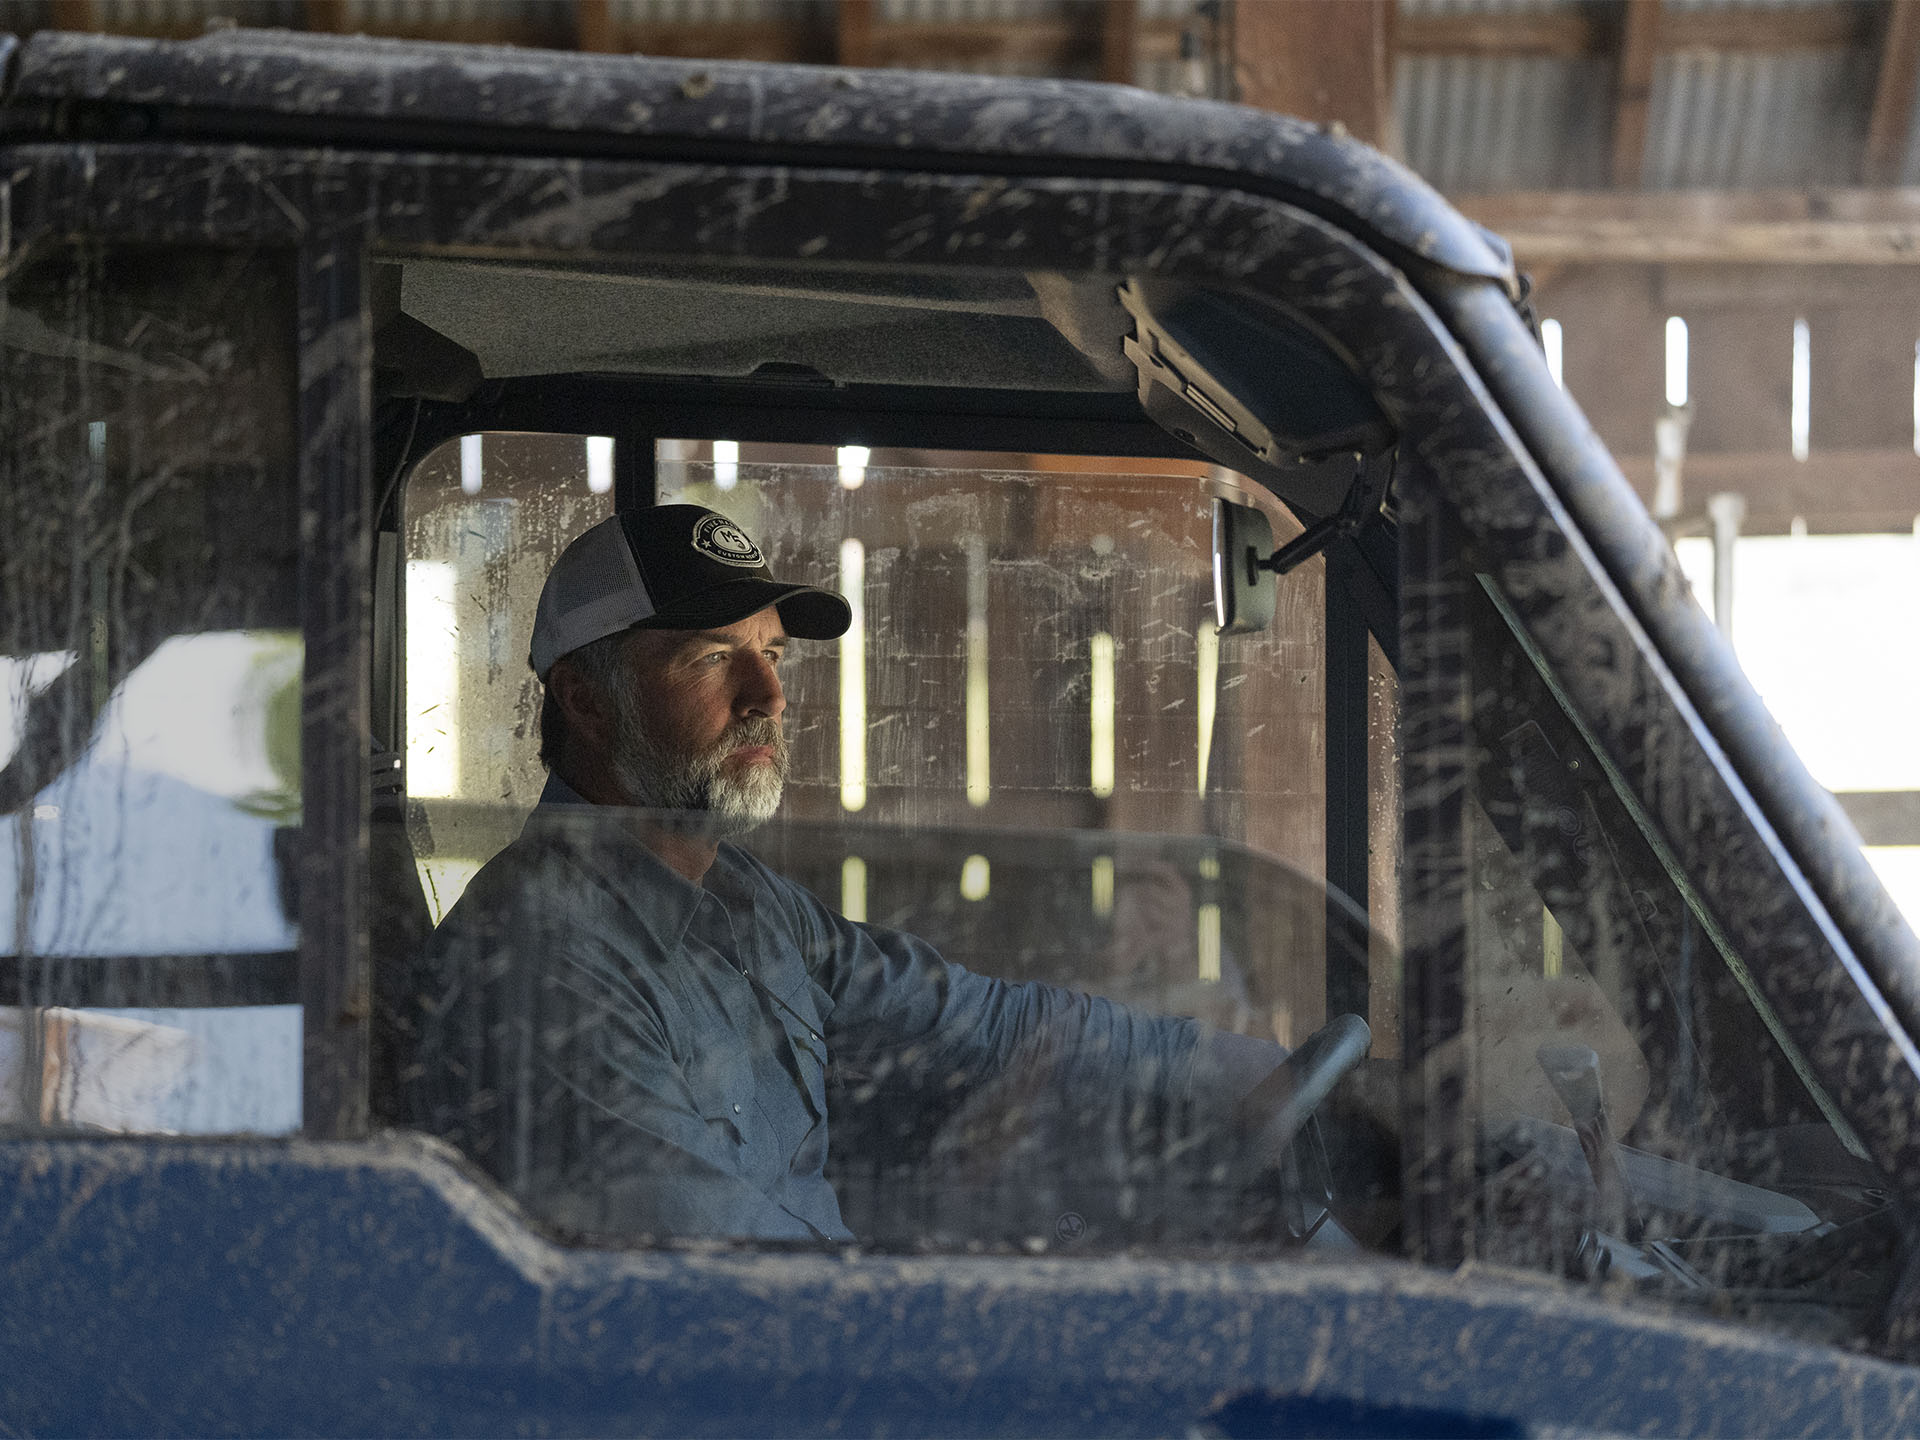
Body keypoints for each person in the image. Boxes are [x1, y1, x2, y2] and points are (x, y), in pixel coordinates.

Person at [402, 504, 1289, 1243]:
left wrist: (1235, 1068)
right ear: (587, 701)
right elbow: (715, 1292)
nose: (769, 696)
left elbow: (983, 1022)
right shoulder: (539, 960)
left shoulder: (748, 904)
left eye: (774, 654)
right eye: (713, 657)